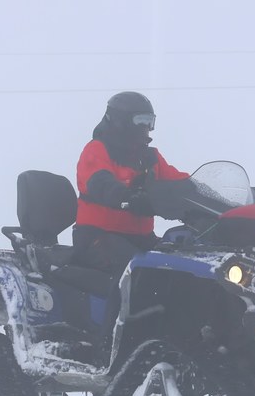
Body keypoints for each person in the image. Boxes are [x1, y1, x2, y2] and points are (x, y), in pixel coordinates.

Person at [73, 91, 189, 278]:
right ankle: (121, 299)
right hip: (98, 238)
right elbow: (100, 183)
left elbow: (179, 181)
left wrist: (209, 198)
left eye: (150, 121)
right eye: (141, 120)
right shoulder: (97, 149)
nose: (146, 127)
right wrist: (130, 198)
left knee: (178, 264)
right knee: (140, 275)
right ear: (120, 121)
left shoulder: (150, 157)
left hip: (140, 239)